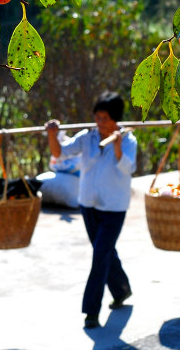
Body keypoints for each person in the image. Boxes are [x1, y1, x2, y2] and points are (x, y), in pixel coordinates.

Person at [46, 91, 137, 329]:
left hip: (114, 207)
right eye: (97, 117)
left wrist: (117, 147)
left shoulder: (128, 140)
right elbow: (59, 153)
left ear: (116, 119)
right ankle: (122, 290)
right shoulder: (87, 137)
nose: (100, 123)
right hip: (88, 204)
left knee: (100, 255)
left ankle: (91, 311)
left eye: (105, 118)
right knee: (104, 251)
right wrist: (52, 135)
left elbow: (128, 168)